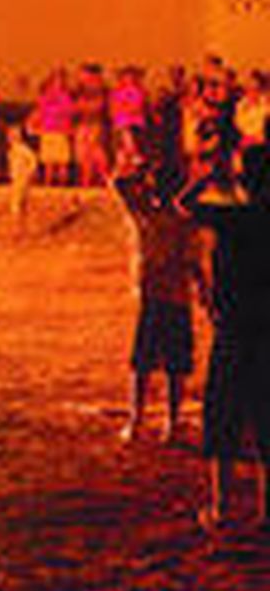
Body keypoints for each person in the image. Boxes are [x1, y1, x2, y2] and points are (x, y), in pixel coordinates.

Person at [181, 144, 270, 532]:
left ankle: (221, 507)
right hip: (266, 330)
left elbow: (183, 204)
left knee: (222, 417)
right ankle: (265, 512)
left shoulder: (232, 216)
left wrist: (211, 177)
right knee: (265, 419)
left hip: (233, 329)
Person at [113, 159, 198, 445]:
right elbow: (193, 263)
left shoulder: (145, 214)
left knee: (143, 363)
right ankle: (171, 424)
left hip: (153, 296)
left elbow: (120, 184)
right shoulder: (184, 221)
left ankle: (136, 421)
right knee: (175, 366)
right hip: (177, 297)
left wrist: (139, 170)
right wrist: (205, 293)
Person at [6, 123, 39, 235]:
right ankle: (22, 228)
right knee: (22, 204)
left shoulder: (22, 149)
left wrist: (29, 173)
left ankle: (17, 228)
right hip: (17, 179)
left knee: (16, 204)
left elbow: (33, 161)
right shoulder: (13, 150)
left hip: (22, 179)